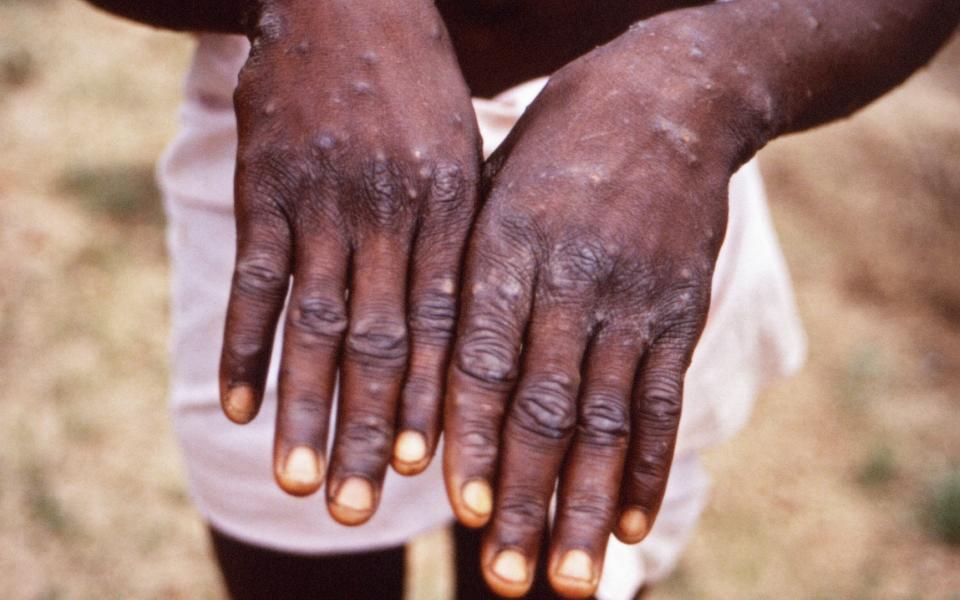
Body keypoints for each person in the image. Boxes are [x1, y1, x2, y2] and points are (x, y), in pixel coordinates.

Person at [83, 1, 959, 598]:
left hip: (640, 171)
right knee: (296, 539)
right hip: (322, 126)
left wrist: (707, 82)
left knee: (556, 557)